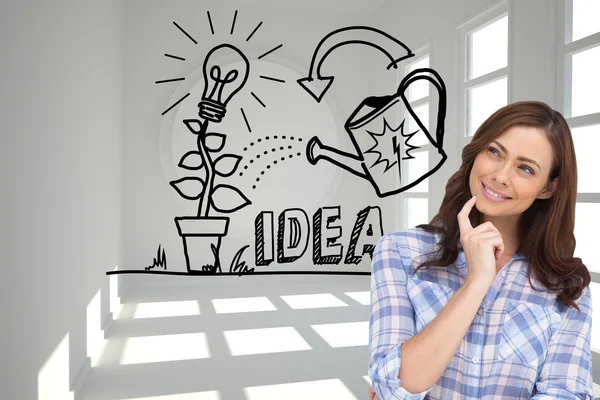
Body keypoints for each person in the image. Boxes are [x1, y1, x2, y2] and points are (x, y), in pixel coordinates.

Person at [368, 101, 594, 399]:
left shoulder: (566, 287)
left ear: (548, 188)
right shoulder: (400, 252)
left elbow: (566, 394)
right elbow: (393, 386)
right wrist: (476, 282)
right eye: (495, 152)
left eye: (525, 168)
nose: (501, 175)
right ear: (477, 153)